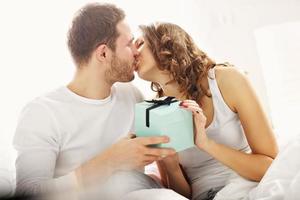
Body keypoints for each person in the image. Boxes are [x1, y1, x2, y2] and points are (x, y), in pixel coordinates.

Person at [13, 3, 177, 199]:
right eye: (128, 43)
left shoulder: (131, 95)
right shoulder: (42, 113)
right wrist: (109, 161)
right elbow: (27, 194)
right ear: (104, 54)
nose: (136, 51)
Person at [134, 22, 279, 200]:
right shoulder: (154, 113)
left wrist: (207, 144)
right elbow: (181, 195)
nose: (133, 52)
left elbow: (270, 166)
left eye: (140, 43)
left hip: (249, 187)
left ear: (165, 45)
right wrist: (170, 165)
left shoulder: (226, 80)